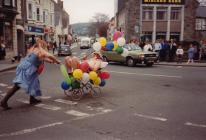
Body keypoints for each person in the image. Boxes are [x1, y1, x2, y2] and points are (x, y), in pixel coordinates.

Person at [0, 39, 61, 110]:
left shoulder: (34, 49)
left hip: (27, 67)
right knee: (17, 85)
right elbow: (50, 55)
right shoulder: (40, 50)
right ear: (42, 45)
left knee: (34, 83)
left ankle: (32, 99)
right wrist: (57, 60)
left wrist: (51, 62)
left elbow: (43, 58)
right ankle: (4, 101)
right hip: (28, 69)